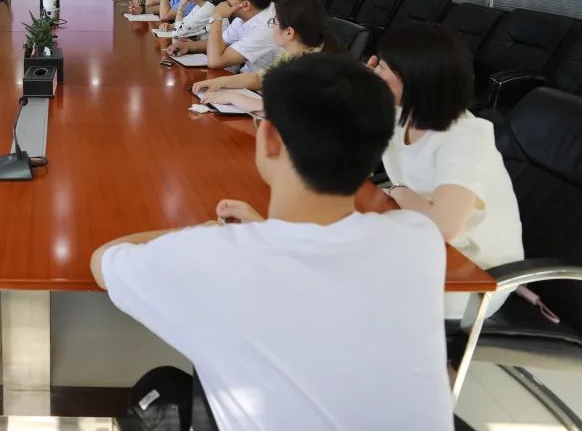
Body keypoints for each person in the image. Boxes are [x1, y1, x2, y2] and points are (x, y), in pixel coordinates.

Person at [91, 54, 453, 431]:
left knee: (160, 386)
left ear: (270, 139)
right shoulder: (419, 239)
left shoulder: (213, 256)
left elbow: (104, 260)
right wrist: (261, 232)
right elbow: (318, 270)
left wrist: (208, 233)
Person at [371, 23, 524, 320]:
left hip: (471, 278)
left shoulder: (465, 137)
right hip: (425, 244)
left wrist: (398, 192)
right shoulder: (402, 114)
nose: (375, 71)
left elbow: (444, 226)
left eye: (383, 67)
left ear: (416, 78)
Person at [191, 0, 340, 111]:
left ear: (289, 32)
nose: (271, 27)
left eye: (274, 22)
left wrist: (232, 98)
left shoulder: (314, 67)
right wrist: (219, 83)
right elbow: (260, 79)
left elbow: (284, 110)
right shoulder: (293, 53)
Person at [169, 0, 280, 73]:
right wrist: (189, 46)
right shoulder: (246, 15)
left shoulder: (264, 28)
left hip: (264, 85)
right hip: (248, 77)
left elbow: (215, 61)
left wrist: (217, 16)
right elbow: (222, 41)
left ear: (245, 5)